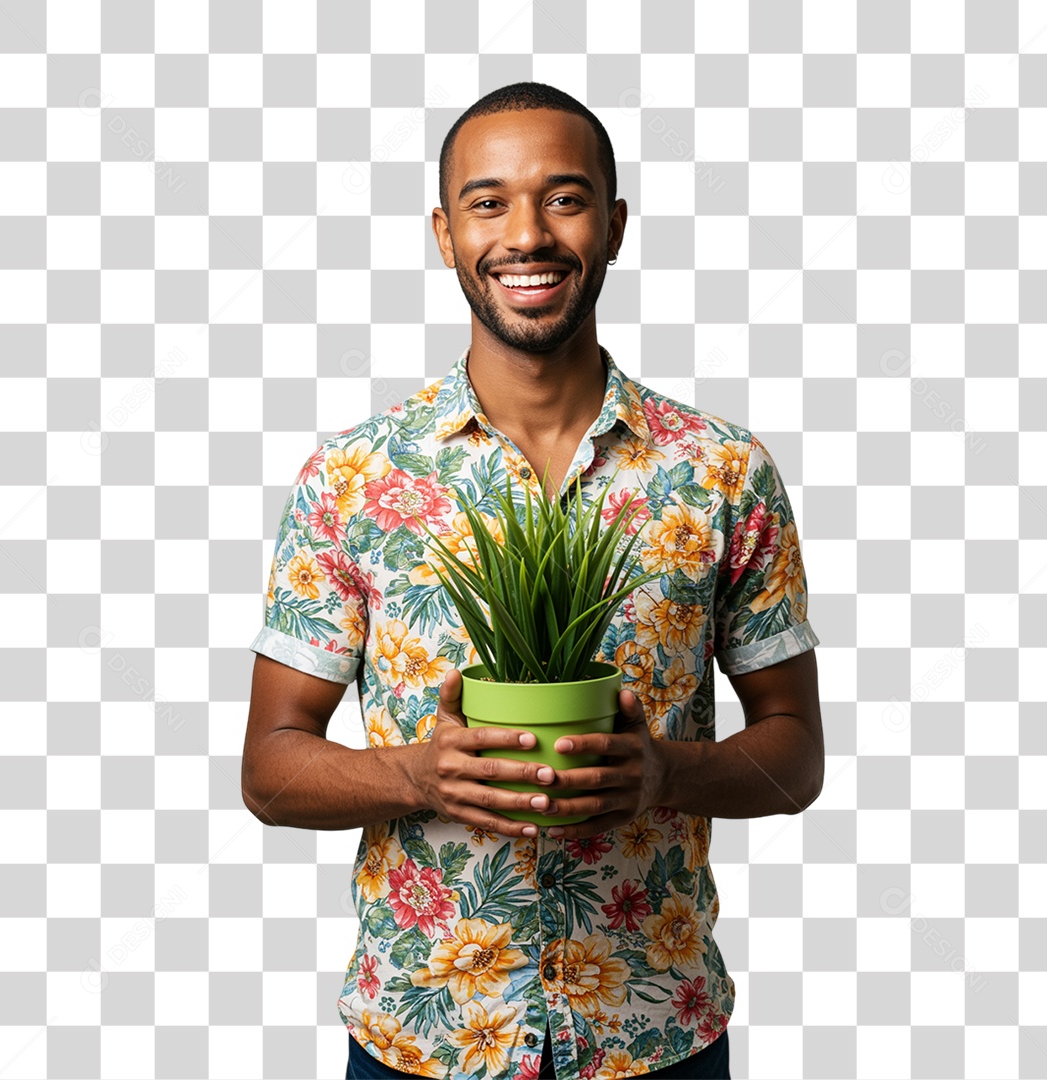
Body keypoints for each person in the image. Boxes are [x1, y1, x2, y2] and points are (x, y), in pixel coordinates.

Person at [242, 81, 823, 1080]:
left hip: (655, 1035)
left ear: (614, 224)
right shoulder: (356, 477)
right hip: (423, 1037)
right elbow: (269, 766)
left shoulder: (722, 471)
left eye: (564, 197)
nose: (528, 233)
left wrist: (664, 775)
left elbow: (797, 754)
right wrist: (417, 775)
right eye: (489, 201)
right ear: (444, 231)